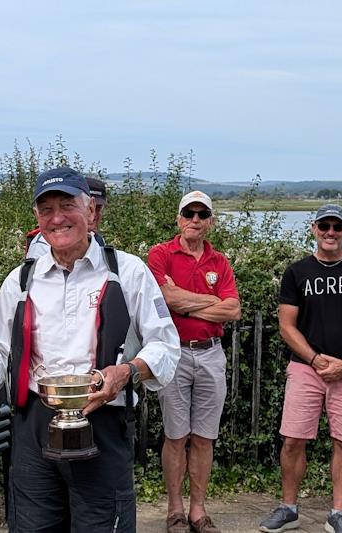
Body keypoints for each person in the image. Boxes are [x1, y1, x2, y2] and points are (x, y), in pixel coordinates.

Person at [0, 166, 180, 532]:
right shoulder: (21, 279)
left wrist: (125, 372)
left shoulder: (128, 272)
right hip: (33, 428)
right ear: (37, 218)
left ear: (90, 211)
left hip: (104, 422)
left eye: (67, 205)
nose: (57, 218)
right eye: (46, 209)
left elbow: (165, 345)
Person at [260, 203, 342, 533]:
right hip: (305, 368)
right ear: (313, 228)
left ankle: (338, 514)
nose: (330, 232)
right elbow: (287, 325)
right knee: (292, 440)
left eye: (337, 227)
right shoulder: (297, 273)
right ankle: (289, 508)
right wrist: (315, 359)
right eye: (324, 226)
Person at [147, 190, 241, 533]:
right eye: (189, 213)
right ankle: (175, 510)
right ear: (178, 218)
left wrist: (185, 303)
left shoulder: (220, 262)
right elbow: (164, 297)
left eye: (203, 215)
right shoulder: (160, 254)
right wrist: (209, 300)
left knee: (204, 437)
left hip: (211, 353)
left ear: (211, 222)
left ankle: (198, 511)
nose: (195, 220)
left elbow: (233, 309)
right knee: (175, 435)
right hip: (174, 353)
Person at [26, 175, 107, 259]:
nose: (57, 220)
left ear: (90, 209)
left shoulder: (117, 265)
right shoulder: (41, 248)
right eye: (46, 209)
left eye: (99, 208)